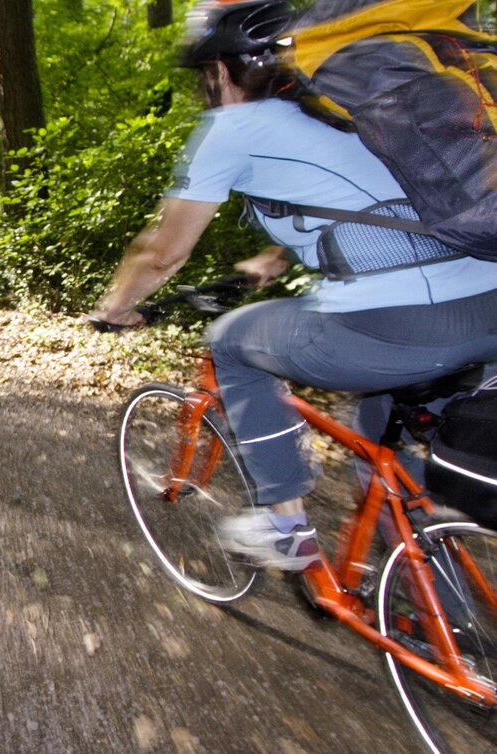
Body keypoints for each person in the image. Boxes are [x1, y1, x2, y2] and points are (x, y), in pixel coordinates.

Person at [89, 0, 497, 570]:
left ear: (219, 69)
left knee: (231, 341)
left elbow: (161, 253)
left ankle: (284, 527)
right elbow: (372, 201)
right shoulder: (345, 109)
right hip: (488, 306)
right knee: (383, 451)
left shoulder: (231, 128)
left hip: (403, 326)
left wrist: (115, 307)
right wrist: (274, 256)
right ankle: (437, 603)